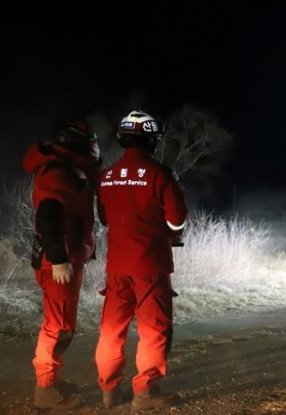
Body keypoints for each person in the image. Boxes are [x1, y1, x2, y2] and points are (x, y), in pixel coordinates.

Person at [95, 110, 188, 411]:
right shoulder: (160, 174)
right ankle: (145, 392)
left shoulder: (107, 176)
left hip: (116, 267)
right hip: (150, 265)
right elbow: (177, 220)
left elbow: (105, 219)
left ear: (122, 138)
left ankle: (109, 392)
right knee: (154, 329)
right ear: (152, 139)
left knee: (111, 329)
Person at [22, 119, 101, 409]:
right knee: (57, 326)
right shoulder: (59, 173)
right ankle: (46, 390)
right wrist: (58, 258)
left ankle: (51, 381)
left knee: (62, 324)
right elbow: (48, 215)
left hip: (64, 258)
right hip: (58, 261)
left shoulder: (65, 169)